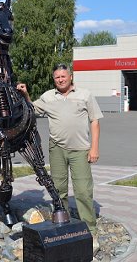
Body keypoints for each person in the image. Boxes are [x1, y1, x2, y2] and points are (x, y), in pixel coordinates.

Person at [17, 63, 103, 252]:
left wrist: (94, 148)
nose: (60, 79)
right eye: (57, 77)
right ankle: (63, 225)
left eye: (63, 76)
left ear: (70, 77)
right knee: (58, 189)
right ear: (54, 79)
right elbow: (32, 109)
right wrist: (25, 94)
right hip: (57, 149)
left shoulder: (85, 95)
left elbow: (94, 121)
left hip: (80, 149)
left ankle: (90, 228)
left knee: (82, 190)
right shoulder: (48, 96)